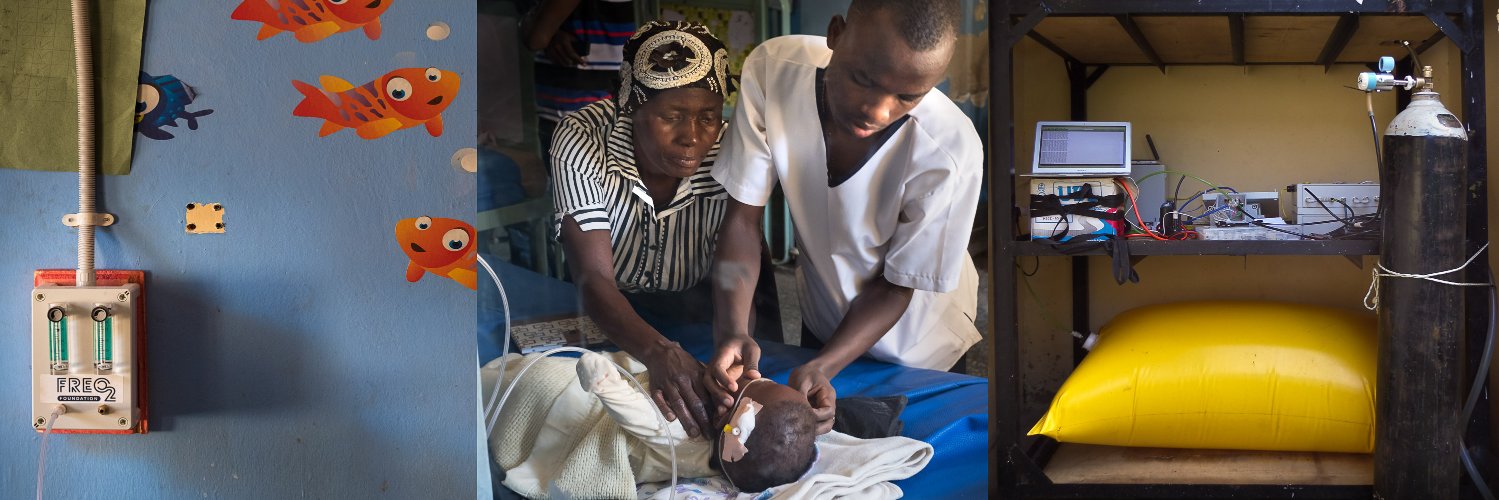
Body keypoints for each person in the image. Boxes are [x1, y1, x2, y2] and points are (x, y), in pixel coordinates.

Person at [705, 0, 982, 435]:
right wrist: (733, 331)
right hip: (825, 317)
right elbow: (741, 218)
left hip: (916, 343)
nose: (877, 110)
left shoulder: (950, 150)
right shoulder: (773, 71)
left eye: (907, 96)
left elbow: (897, 285)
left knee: (909, 456)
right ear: (836, 33)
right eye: (862, 80)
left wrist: (825, 364)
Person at [549, 21, 782, 442]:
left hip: (707, 300)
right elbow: (594, 278)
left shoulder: (731, 149)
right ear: (631, 106)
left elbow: (734, 259)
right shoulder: (583, 138)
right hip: (612, 306)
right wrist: (658, 351)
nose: (692, 138)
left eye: (708, 118)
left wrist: (733, 334)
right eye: (671, 117)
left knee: (732, 402)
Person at [484, 351, 818, 498]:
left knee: (499, 387)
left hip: (555, 403)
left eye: (754, 382)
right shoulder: (731, 444)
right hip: (558, 386)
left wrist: (605, 384)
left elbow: (641, 420)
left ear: (725, 418)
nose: (754, 374)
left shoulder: (685, 438)